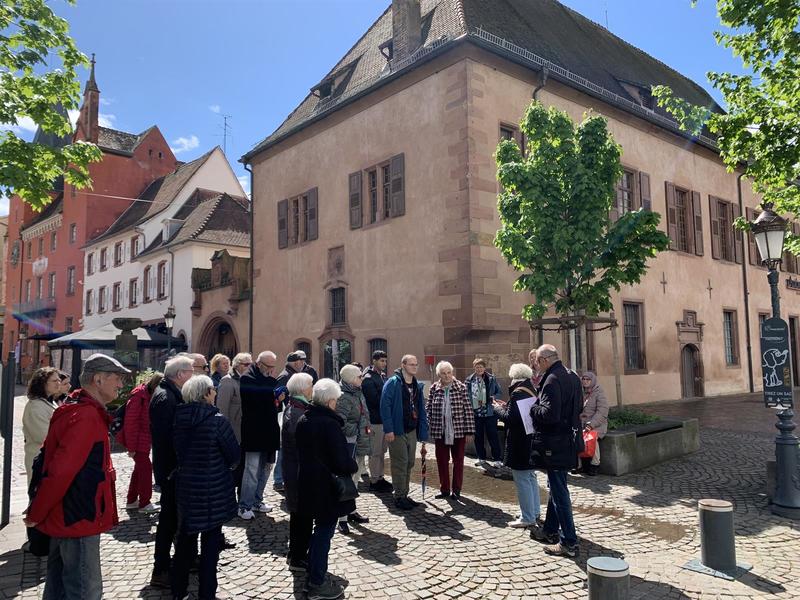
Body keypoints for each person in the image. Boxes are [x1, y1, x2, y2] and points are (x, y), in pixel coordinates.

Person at [24, 354, 127, 600]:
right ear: (98, 380)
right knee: (84, 591)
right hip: (78, 516)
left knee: (59, 588)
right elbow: (61, 472)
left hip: (70, 514)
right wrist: (37, 512)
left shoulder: (80, 409)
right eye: (117, 378)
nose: (121, 384)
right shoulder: (85, 416)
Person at [171, 375, 239, 600]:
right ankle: (206, 594)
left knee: (184, 542)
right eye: (213, 389)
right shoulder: (217, 421)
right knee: (210, 546)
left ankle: (178, 591)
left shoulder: (179, 418)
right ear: (206, 393)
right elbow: (233, 454)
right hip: (213, 488)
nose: (216, 392)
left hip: (187, 488)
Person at [296, 378, 357, 600]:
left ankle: (313, 575)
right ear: (330, 401)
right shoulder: (329, 424)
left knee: (319, 531)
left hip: (309, 483)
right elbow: (341, 460)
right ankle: (317, 582)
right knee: (324, 532)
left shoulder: (304, 419)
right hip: (327, 487)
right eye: (336, 400)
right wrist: (352, 465)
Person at [529, 345, 582, 558]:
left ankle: (569, 541)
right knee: (556, 486)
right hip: (568, 440)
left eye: (537, 361)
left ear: (544, 360)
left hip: (555, 443)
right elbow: (578, 408)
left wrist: (533, 408)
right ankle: (550, 530)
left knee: (560, 492)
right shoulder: (572, 375)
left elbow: (549, 414)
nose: (536, 365)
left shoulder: (551, 380)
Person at [149, 355, 195, 588]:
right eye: (191, 371)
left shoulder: (170, 393)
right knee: (168, 520)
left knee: (175, 518)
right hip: (171, 470)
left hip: (174, 469)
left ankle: (182, 560)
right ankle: (161, 568)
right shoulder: (165, 398)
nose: (193, 375)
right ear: (180, 375)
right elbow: (167, 439)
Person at [380, 354, 429, 510]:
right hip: (397, 430)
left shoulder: (416, 385)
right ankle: (399, 496)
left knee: (410, 462)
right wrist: (389, 429)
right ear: (403, 365)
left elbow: (421, 409)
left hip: (411, 429)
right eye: (411, 364)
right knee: (400, 463)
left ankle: (405, 494)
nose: (414, 367)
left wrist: (423, 432)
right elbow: (385, 406)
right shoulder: (393, 383)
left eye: (416, 364)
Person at [494, 363, 540, 529]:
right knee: (530, 477)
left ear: (514, 376)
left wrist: (497, 409)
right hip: (530, 439)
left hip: (520, 442)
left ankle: (527, 517)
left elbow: (511, 419)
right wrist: (507, 406)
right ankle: (534, 511)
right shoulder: (530, 389)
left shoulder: (518, 392)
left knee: (522, 479)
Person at [238, 350, 281, 519]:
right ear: (259, 364)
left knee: (266, 468)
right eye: (268, 366)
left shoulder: (269, 380)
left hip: (269, 430)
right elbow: (256, 402)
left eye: (273, 366)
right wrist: (273, 393)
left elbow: (273, 404)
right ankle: (244, 505)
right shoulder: (247, 378)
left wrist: (277, 398)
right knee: (252, 469)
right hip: (254, 432)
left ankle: (257, 500)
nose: (271, 370)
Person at [427, 361, 474, 500]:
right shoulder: (434, 388)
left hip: (458, 431)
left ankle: (457, 489)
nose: (447, 376)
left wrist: (469, 431)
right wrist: (427, 425)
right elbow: (428, 408)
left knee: (458, 461)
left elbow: (468, 410)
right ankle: (445, 489)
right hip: (440, 431)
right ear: (439, 375)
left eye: (449, 372)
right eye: (443, 373)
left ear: (452, 373)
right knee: (442, 461)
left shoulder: (461, 387)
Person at [281, 372, 314, 572]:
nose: (313, 388)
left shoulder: (296, 407)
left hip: (296, 470)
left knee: (300, 516)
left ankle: (296, 553)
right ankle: (297, 557)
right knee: (301, 516)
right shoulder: (297, 412)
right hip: (299, 472)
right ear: (302, 389)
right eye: (311, 384)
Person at [275, 350, 319, 492]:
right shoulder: (284, 376)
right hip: (290, 413)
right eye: (301, 361)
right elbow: (278, 398)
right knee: (286, 449)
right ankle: (279, 479)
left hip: (298, 410)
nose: (303, 363)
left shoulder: (305, 372)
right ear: (295, 363)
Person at [335, 364, 371, 534]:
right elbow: (340, 422)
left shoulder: (357, 392)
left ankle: (351, 511)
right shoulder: (343, 396)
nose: (362, 378)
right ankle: (342, 518)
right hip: (349, 443)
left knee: (355, 478)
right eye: (359, 376)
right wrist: (355, 429)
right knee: (346, 480)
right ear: (350, 379)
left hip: (359, 441)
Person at [122, 371, 163, 513]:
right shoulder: (139, 396)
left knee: (139, 470)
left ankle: (132, 500)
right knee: (145, 469)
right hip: (138, 440)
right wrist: (131, 447)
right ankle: (144, 503)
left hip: (142, 440)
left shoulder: (146, 395)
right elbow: (131, 423)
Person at [22, 367, 60, 485]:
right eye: (54, 381)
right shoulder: (36, 407)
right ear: (43, 383)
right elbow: (43, 436)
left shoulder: (49, 402)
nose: (58, 383)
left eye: (59, 380)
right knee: (39, 492)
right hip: (39, 459)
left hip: (50, 458)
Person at [361, 350, 392, 493]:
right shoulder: (368, 378)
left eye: (385, 361)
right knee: (375, 452)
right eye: (381, 361)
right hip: (374, 420)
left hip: (383, 419)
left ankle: (380, 477)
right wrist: (388, 400)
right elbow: (374, 400)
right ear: (374, 361)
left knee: (382, 451)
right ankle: (374, 480)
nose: (384, 363)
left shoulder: (383, 376)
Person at [464, 358, 503, 468]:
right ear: (474, 368)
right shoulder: (469, 380)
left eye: (481, 367)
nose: (479, 369)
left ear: (484, 368)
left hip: (489, 412)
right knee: (478, 437)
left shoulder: (491, 378)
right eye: (477, 367)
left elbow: (499, 392)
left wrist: (493, 398)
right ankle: (481, 458)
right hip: (476, 413)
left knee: (493, 436)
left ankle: (497, 459)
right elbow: (465, 395)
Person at [216, 352, 252, 444]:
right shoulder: (227, 380)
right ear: (237, 365)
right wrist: (225, 432)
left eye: (251, 364)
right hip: (234, 430)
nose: (250, 367)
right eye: (246, 364)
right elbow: (222, 409)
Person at [578, 371, 609, 476]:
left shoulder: (599, 392)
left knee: (592, 437)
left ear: (593, 381)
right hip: (582, 423)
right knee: (575, 436)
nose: (585, 381)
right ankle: (578, 465)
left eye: (588, 379)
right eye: (583, 379)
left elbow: (602, 411)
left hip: (597, 424)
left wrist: (591, 425)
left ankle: (595, 464)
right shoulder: (581, 392)